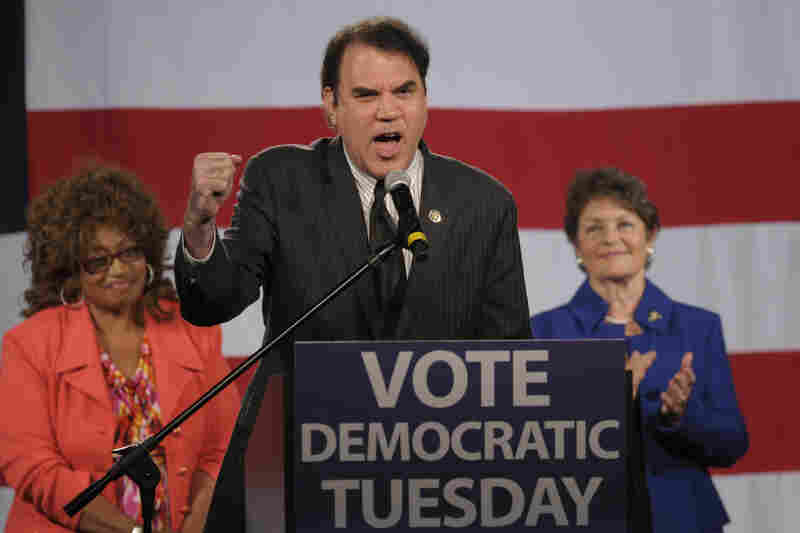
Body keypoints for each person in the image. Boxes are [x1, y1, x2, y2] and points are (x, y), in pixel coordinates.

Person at [174, 16, 531, 531]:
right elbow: (215, 301)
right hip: (301, 462)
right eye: (365, 95)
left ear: (426, 98)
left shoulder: (483, 203)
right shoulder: (283, 180)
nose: (389, 110)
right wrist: (200, 225)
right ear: (331, 107)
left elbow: (506, 355)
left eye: (404, 91)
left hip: (432, 477)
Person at [0, 165, 241, 533]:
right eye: (97, 260)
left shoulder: (192, 330)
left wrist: (196, 523)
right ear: (71, 268)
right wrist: (130, 532)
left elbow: (223, 445)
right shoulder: (30, 345)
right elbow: (31, 465)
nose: (117, 270)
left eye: (128, 252)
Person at [531, 168, 749, 533]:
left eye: (624, 224)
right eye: (594, 228)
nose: (610, 238)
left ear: (650, 235)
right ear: (576, 244)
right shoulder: (544, 332)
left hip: (683, 520)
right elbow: (530, 452)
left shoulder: (698, 327)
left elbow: (732, 444)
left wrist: (677, 415)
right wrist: (607, 406)